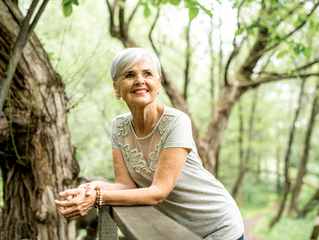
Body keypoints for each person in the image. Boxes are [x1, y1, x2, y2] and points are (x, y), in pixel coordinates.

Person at [55, 48, 244, 240]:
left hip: (217, 225)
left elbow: (158, 193)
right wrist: (91, 188)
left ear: (158, 83)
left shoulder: (177, 121)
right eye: (129, 74)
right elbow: (125, 185)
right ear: (116, 88)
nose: (139, 80)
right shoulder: (118, 126)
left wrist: (99, 198)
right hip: (177, 233)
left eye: (147, 73)